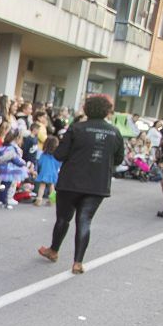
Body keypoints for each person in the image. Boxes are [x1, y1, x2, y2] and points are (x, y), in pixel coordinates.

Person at [37, 94, 122, 273]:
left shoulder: (76, 128)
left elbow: (59, 154)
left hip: (71, 182)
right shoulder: (115, 132)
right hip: (97, 184)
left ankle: (54, 250)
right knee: (85, 221)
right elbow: (119, 159)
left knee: (63, 219)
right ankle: (78, 262)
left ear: (86, 109)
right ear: (107, 111)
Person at [0, 128, 27, 209]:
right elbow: (15, 159)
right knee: (7, 186)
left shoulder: (3, 147)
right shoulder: (12, 148)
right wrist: (23, 163)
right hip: (9, 170)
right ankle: (5, 201)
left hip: (3, 169)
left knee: (4, 185)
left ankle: (2, 200)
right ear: (16, 138)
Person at [33, 135, 60, 206]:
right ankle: (52, 200)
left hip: (44, 172)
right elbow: (59, 164)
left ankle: (39, 199)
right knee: (52, 186)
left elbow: (39, 163)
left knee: (42, 186)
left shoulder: (44, 154)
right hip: (53, 172)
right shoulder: (56, 156)